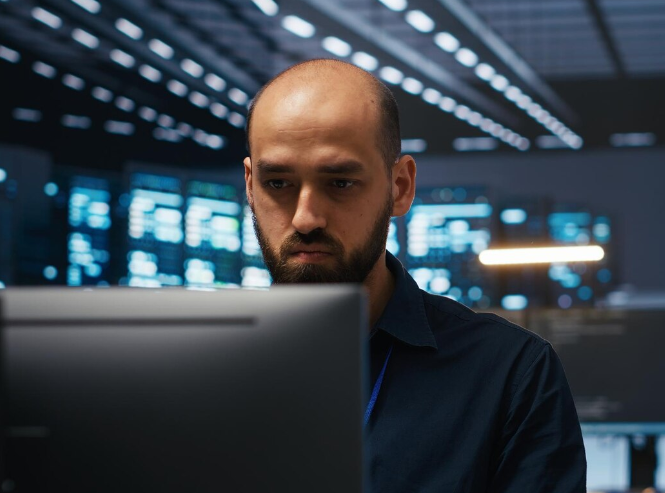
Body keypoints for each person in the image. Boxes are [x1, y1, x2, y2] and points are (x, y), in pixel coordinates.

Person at [243, 59, 586, 492]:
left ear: (400, 187)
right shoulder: (192, 370)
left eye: (340, 183)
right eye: (278, 184)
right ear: (250, 185)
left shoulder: (509, 375)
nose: (306, 217)